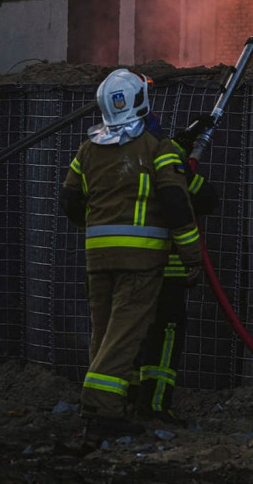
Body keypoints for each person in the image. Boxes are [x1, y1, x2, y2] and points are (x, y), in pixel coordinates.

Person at [58, 69, 204, 441]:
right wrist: (191, 255)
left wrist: (99, 230)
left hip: (97, 258)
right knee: (124, 334)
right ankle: (102, 407)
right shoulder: (156, 148)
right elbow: (175, 203)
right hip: (140, 263)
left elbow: (69, 201)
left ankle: (102, 405)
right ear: (140, 100)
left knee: (104, 334)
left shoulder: (88, 149)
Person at [132, 114, 216, 425]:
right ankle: (154, 407)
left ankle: (124, 401)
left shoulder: (113, 162)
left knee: (128, 336)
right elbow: (204, 199)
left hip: (124, 271)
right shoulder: (168, 167)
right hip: (165, 271)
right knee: (165, 336)